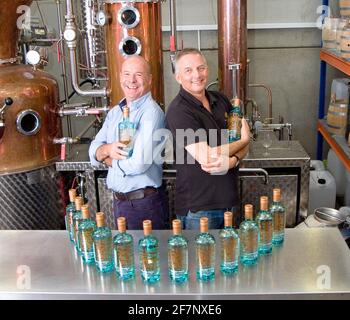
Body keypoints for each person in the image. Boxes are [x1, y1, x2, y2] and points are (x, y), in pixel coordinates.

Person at [165, 48, 250, 230]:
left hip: (228, 201)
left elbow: (244, 146)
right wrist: (242, 142)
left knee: (228, 258)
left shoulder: (221, 100)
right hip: (199, 208)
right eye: (188, 70)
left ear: (207, 70)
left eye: (200, 68)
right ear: (178, 77)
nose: (196, 75)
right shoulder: (179, 111)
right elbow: (208, 157)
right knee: (203, 259)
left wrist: (233, 161)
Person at [89, 55, 169, 230]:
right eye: (127, 74)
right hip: (121, 202)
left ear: (149, 80)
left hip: (144, 205)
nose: (131, 80)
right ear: (120, 77)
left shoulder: (151, 113)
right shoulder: (116, 113)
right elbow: (93, 151)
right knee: (127, 256)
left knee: (148, 257)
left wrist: (107, 159)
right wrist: (107, 149)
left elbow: (139, 164)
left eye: (139, 75)